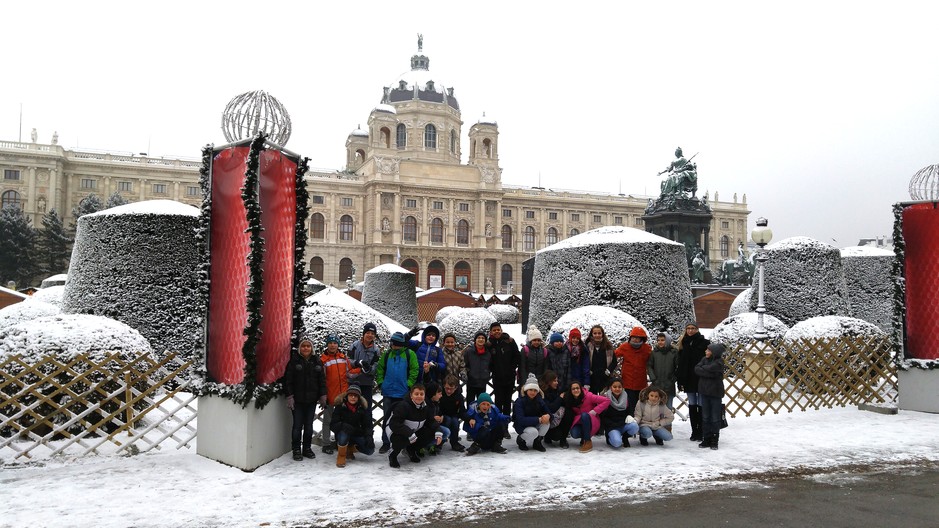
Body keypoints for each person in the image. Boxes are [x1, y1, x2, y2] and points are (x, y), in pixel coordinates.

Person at [375, 331, 419, 454]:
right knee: (387, 418)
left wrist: (409, 384)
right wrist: (381, 383)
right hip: (388, 391)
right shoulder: (387, 354)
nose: (395, 346)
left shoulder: (410, 354)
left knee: (403, 419)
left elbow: (415, 370)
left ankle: (403, 442)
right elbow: (380, 369)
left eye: (397, 344)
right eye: (393, 344)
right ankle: (386, 442)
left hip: (403, 392)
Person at [284, 337, 326, 461]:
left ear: (311, 348)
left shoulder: (317, 361)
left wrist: (323, 395)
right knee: (297, 426)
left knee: (308, 426)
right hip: (297, 401)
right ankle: (296, 449)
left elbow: (322, 381)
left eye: (308, 346)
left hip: (311, 400)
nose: (306, 348)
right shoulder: (294, 361)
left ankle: (307, 448)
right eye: (303, 346)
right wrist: (290, 396)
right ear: (299, 348)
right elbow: (288, 380)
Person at [387, 384, 443, 468]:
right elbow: (394, 424)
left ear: (424, 395)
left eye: (421, 394)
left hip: (414, 430)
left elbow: (431, 421)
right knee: (400, 439)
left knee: (431, 433)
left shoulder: (426, 407)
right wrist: (409, 433)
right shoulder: (403, 406)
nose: (419, 396)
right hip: (396, 431)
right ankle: (393, 455)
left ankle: (411, 450)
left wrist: (438, 431)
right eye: (416, 394)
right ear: (411, 395)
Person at [676, 322, 710, 441]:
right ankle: (694, 431)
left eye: (693, 328)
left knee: (701, 404)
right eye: (688, 328)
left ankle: (701, 430)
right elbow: (680, 363)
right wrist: (680, 379)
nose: (690, 331)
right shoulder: (683, 343)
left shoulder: (704, 342)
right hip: (688, 378)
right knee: (692, 404)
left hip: (700, 377)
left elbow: (708, 359)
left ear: (697, 329)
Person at [320, 335, 352, 454]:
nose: (333, 345)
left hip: (343, 396)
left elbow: (350, 374)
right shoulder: (323, 360)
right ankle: (326, 443)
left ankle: (340, 442)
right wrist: (323, 395)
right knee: (327, 421)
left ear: (338, 345)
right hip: (329, 395)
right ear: (327, 345)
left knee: (342, 421)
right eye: (330, 343)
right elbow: (321, 380)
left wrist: (361, 368)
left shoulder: (343, 358)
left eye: (335, 343)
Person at [329, 385, 375, 467]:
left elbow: (368, 425)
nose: (353, 397)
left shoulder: (362, 408)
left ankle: (350, 448)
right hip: (342, 433)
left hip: (356, 433)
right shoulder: (340, 407)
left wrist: (369, 437)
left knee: (370, 450)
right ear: (347, 396)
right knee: (344, 434)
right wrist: (343, 425)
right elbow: (333, 425)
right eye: (351, 395)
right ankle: (341, 456)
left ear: (359, 398)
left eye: (355, 396)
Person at [487, 322, 519, 436]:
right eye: (494, 330)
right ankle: (498, 426)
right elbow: (486, 358)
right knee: (498, 403)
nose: (497, 332)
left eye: (498, 329)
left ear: (501, 330)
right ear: (491, 332)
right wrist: (492, 369)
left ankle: (505, 427)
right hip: (497, 378)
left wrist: (512, 368)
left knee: (507, 403)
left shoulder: (509, 341)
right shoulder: (489, 344)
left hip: (509, 378)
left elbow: (517, 355)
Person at [614, 326, 652, 417]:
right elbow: (614, 355)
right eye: (634, 337)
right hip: (628, 381)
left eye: (638, 338)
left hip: (641, 382)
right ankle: (630, 423)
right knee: (629, 404)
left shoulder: (647, 348)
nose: (635, 340)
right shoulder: (625, 346)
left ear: (642, 339)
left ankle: (639, 423)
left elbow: (653, 360)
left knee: (639, 404)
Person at [695, 343, 726, 450]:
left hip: (715, 393)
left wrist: (704, 370)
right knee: (705, 416)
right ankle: (706, 438)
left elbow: (713, 369)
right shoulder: (704, 359)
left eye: (708, 350)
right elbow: (697, 369)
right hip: (704, 392)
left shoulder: (719, 362)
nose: (705, 352)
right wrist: (707, 371)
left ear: (714, 352)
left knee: (715, 417)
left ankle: (714, 439)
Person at [565, 381, 610, 453]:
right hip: (580, 422)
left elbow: (607, 400)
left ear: (581, 388)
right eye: (573, 389)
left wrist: (595, 411)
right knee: (574, 433)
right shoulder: (570, 399)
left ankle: (588, 441)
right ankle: (584, 439)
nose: (576, 390)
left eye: (577, 388)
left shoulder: (589, 396)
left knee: (585, 415)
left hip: (592, 421)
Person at [512, 373, 550, 452]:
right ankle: (521, 440)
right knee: (533, 432)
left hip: (534, 423)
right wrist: (539, 419)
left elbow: (549, 413)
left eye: (535, 390)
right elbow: (520, 420)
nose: (533, 392)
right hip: (521, 426)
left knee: (547, 423)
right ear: (526, 390)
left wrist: (548, 416)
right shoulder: (520, 401)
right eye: (530, 390)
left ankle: (537, 442)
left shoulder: (539, 400)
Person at [348, 322, 381, 408]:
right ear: (364, 334)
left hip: (367, 383)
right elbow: (347, 361)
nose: (370, 335)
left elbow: (376, 365)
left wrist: (369, 369)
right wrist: (356, 362)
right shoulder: (354, 346)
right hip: (353, 381)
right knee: (352, 407)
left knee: (366, 408)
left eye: (372, 334)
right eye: (368, 333)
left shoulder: (376, 350)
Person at [600, 379, 639, 448]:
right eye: (614, 387)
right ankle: (610, 438)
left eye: (619, 387)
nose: (617, 389)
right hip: (612, 427)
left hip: (623, 424)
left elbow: (630, 411)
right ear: (610, 388)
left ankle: (625, 437)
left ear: (622, 388)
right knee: (617, 443)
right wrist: (613, 424)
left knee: (635, 426)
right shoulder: (605, 399)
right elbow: (603, 417)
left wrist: (630, 416)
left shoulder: (626, 398)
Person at [648, 332, 679, 409]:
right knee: (656, 407)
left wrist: (674, 378)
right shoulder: (654, 353)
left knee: (668, 407)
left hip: (669, 384)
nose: (660, 342)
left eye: (662, 340)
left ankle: (667, 421)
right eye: (658, 340)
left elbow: (678, 367)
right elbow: (649, 366)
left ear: (667, 341)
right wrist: (653, 378)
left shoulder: (674, 353)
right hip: (656, 384)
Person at [540, 370, 570, 449]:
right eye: (554, 381)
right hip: (548, 421)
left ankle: (563, 439)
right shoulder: (542, 393)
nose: (557, 382)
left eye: (557, 380)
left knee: (569, 412)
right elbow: (550, 408)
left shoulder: (557, 390)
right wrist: (560, 398)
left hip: (558, 419)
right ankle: (547, 436)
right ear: (548, 381)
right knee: (556, 436)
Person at [463, 330, 491, 405]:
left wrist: (487, 374)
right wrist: (468, 372)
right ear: (475, 340)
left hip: (483, 382)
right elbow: (464, 363)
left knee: (481, 403)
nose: (481, 339)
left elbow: (490, 365)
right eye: (478, 337)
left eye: (483, 338)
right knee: (470, 403)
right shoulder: (469, 351)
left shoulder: (488, 353)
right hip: (471, 381)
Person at [439, 374, 467, 452]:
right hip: (442, 416)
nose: (448, 391)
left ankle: (454, 442)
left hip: (454, 415)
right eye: (447, 388)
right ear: (443, 386)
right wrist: (439, 415)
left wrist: (469, 419)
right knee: (448, 420)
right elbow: (436, 406)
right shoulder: (440, 394)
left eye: (451, 389)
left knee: (455, 422)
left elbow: (462, 410)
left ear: (456, 387)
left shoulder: (459, 397)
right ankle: (440, 442)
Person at [586, 325, 616, 393]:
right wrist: (588, 370)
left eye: (599, 333)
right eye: (595, 333)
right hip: (591, 378)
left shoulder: (608, 346)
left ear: (602, 334)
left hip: (605, 378)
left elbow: (614, 361)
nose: (597, 335)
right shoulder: (587, 345)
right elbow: (583, 360)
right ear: (592, 334)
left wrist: (608, 371)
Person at [423, 382, 449, 456]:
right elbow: (422, 418)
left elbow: (439, 411)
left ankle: (431, 446)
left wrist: (441, 416)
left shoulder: (435, 402)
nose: (441, 396)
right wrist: (433, 418)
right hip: (425, 428)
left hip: (433, 426)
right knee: (445, 432)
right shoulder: (425, 404)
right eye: (439, 393)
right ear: (433, 394)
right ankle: (422, 446)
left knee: (446, 431)